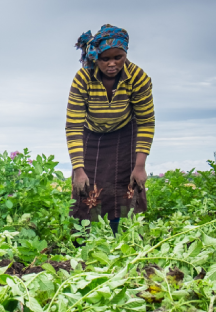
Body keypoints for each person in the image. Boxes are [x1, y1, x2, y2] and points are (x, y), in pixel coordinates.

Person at [65, 24, 155, 235]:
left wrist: (140, 165)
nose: (112, 64)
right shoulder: (83, 79)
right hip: (91, 135)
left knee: (127, 186)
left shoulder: (138, 78)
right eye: (105, 59)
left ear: (125, 55)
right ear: (95, 57)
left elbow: (146, 122)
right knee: (86, 187)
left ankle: (123, 237)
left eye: (119, 57)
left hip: (125, 134)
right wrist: (78, 170)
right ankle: (84, 239)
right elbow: (73, 125)